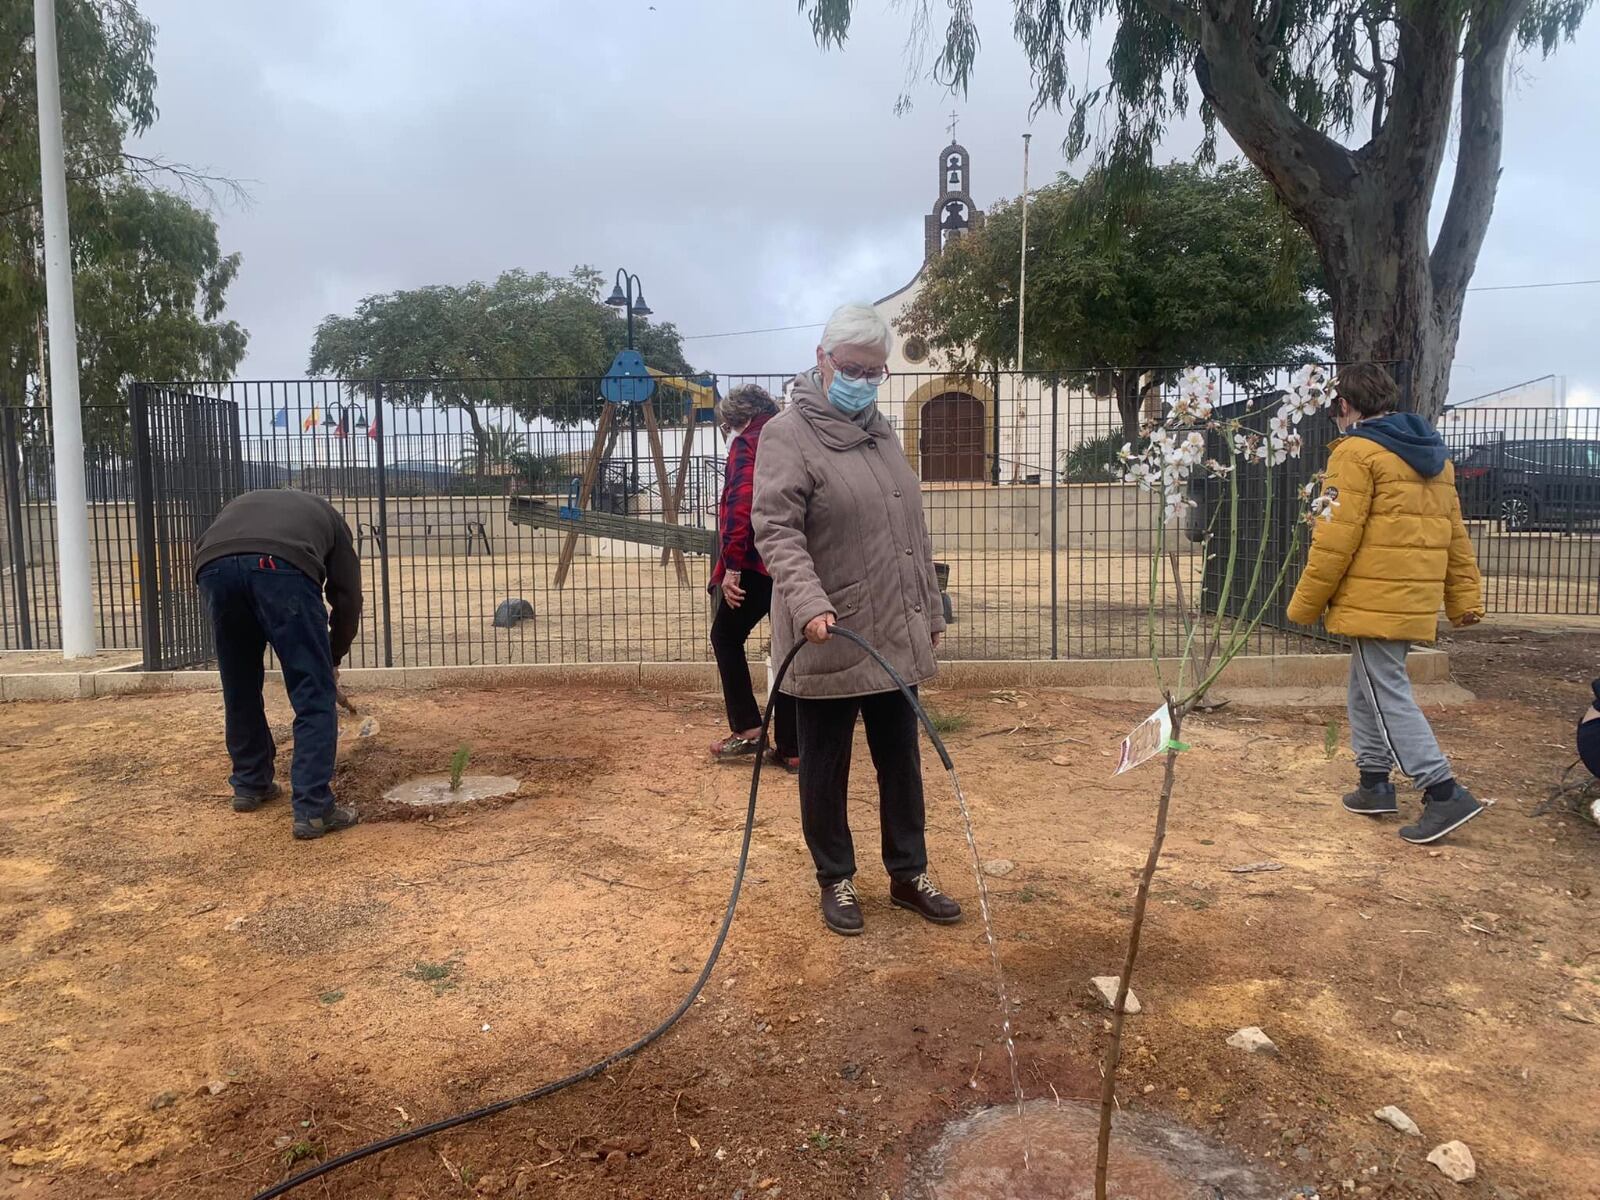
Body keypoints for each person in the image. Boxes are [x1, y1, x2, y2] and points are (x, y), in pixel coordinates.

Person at [753, 303, 961, 936]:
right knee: (826, 764)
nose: (866, 383)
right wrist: (809, 601)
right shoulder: (786, 434)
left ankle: (908, 872)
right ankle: (836, 878)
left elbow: (909, 529)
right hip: (830, 629)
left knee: (901, 757)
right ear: (823, 360)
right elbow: (776, 529)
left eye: (877, 373)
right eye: (854, 370)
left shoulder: (880, 431)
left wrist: (930, 603)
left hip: (895, 628)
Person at [1286, 363, 1486, 845]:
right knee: (1366, 687)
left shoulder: (1355, 452)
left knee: (1386, 692)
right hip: (1409, 595)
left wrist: (1303, 606)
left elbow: (1335, 537)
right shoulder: (1434, 456)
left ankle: (1443, 791)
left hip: (1374, 596)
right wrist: (1463, 598)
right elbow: (1455, 535)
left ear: (1344, 406)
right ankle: (1374, 781)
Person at [194, 489, 364, 841]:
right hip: (281, 567)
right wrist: (331, 659)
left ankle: (250, 783)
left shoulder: (244, 503)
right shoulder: (332, 521)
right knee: (312, 693)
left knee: (239, 684)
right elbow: (348, 598)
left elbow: (216, 548)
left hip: (214, 567)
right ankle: (314, 809)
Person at [707, 384, 799, 769]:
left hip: (756, 561)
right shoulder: (791, 438)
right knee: (788, 645)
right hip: (796, 559)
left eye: (728, 422)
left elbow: (743, 504)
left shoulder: (748, 444)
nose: (729, 429)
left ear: (739, 417)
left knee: (725, 636)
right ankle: (794, 748)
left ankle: (747, 729)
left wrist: (731, 565)